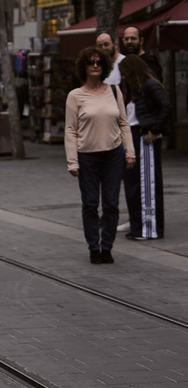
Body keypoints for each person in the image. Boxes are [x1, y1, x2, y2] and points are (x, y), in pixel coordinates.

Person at [65, 47, 135, 264]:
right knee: (90, 203)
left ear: (104, 66)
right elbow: (70, 129)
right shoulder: (75, 96)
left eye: (98, 62)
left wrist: (130, 152)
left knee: (112, 204)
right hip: (87, 156)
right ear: (83, 67)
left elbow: (124, 122)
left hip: (113, 155)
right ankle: (93, 247)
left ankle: (107, 247)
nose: (95, 65)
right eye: (90, 62)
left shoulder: (114, 91)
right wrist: (72, 161)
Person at [119, 55, 171, 240]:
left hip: (144, 137)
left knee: (147, 184)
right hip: (133, 136)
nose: (123, 77)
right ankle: (138, 226)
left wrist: (154, 130)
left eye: (125, 73)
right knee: (133, 184)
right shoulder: (135, 89)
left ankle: (149, 228)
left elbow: (165, 106)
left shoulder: (150, 85)